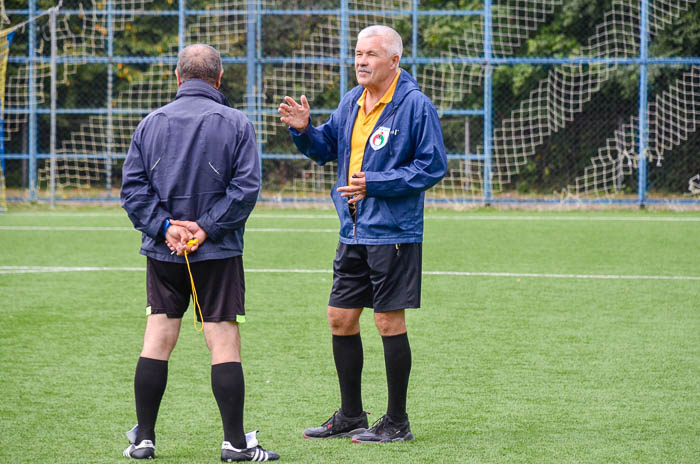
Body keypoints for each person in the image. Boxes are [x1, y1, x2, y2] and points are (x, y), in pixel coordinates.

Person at [278, 25, 447, 443]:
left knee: (388, 322)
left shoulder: (414, 106)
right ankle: (351, 414)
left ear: (394, 61)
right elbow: (324, 149)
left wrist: (377, 183)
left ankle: (397, 422)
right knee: (340, 318)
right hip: (352, 229)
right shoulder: (352, 101)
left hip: (392, 231)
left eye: (371, 54)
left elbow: (432, 166)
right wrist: (303, 130)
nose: (361, 61)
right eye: (357, 53)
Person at [120, 43, 279, 462]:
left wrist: (166, 227)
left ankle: (143, 439)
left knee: (158, 334)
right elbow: (246, 189)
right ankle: (235, 443)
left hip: (165, 250)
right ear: (219, 79)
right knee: (223, 337)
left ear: (178, 78)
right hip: (218, 251)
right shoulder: (236, 123)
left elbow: (132, 192)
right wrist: (205, 228)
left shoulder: (149, 124)